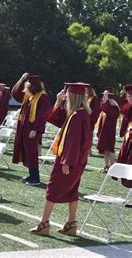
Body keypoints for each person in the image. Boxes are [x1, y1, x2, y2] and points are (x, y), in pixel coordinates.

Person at [30, 83, 92, 236]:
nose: (66, 99)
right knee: (72, 191)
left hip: (69, 160)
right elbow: (55, 119)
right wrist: (58, 102)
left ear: (72, 97)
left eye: (67, 96)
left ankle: (44, 224)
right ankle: (71, 224)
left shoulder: (77, 116)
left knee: (52, 190)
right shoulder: (79, 113)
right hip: (77, 160)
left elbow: (74, 141)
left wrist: (67, 162)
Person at [11, 73, 50, 186]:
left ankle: (35, 178)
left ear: (33, 86)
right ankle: (31, 174)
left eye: (27, 85)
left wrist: (35, 129)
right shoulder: (30, 96)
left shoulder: (43, 97)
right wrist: (22, 79)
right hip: (24, 128)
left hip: (32, 130)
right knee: (27, 152)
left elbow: (42, 115)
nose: (25, 88)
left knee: (32, 152)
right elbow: (15, 93)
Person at [96, 88, 120, 173]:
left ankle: (113, 168)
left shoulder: (114, 106)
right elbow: (102, 108)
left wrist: (106, 100)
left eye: (105, 96)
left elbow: (110, 112)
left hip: (110, 131)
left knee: (110, 149)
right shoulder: (107, 104)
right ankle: (106, 166)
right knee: (105, 149)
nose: (103, 98)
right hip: (104, 131)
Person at [117, 85, 132, 188]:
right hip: (129, 140)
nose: (129, 97)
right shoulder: (129, 107)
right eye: (128, 95)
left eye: (131, 95)